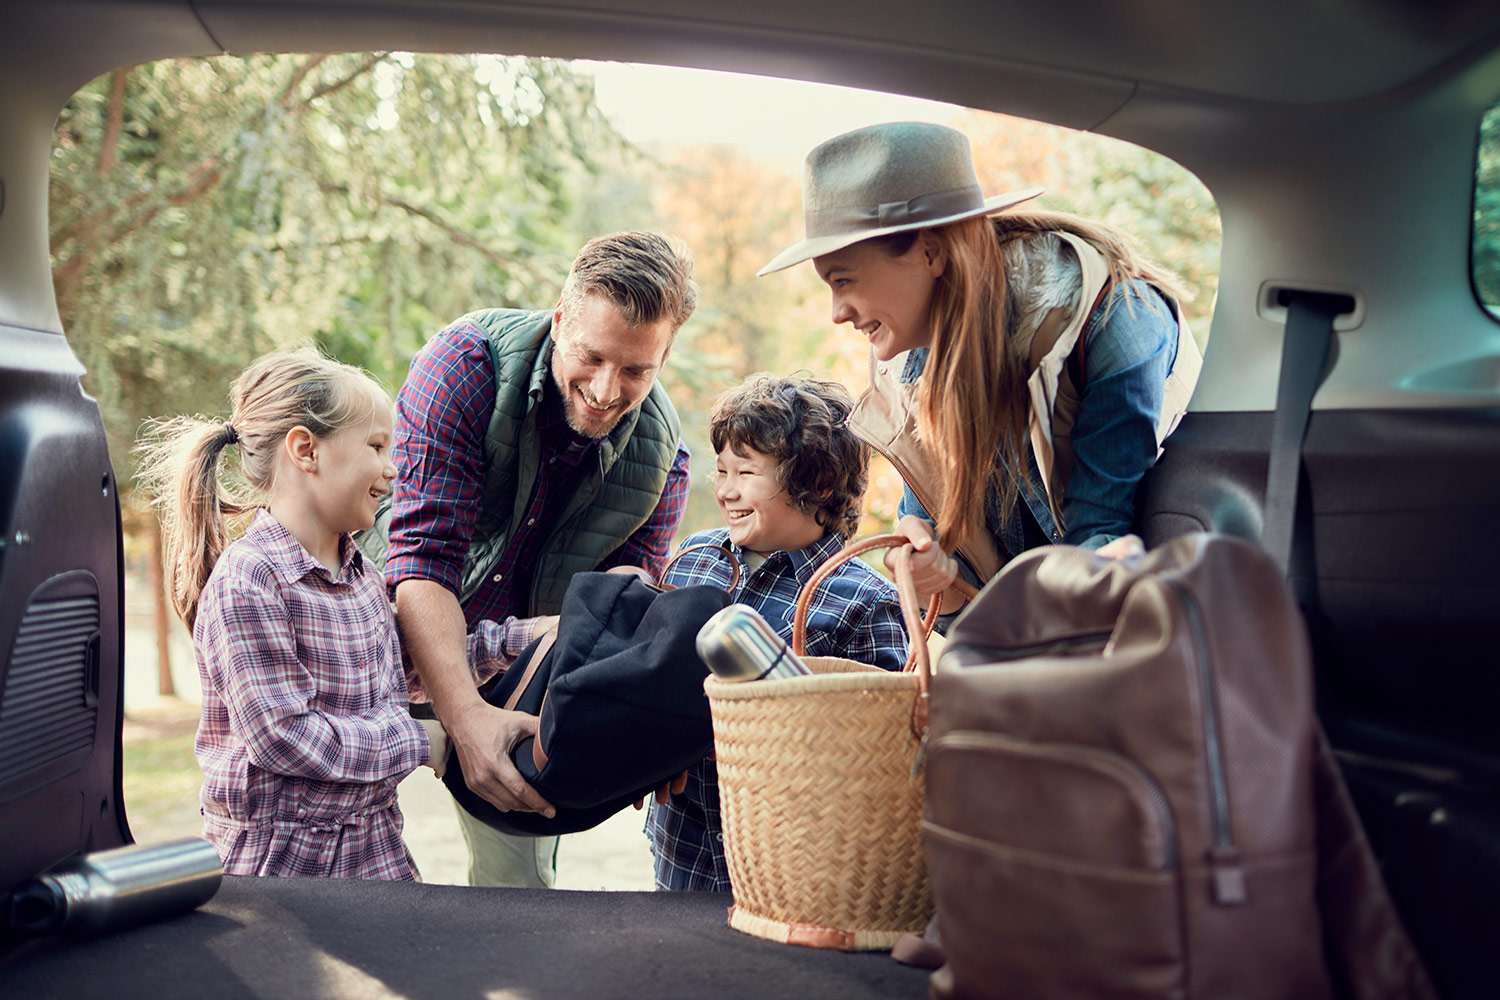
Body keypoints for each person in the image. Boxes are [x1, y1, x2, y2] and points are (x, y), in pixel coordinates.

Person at [359, 231, 699, 888]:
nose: (605, 389)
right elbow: (421, 564)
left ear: (664, 354)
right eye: (591, 356)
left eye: (636, 370)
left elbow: (620, 615)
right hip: (379, 646)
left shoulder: (665, 456)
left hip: (515, 671)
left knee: (518, 890)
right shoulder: (463, 365)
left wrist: (629, 726)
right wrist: (464, 721)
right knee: (333, 860)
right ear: (561, 318)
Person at [759, 121, 1203, 616]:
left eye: (843, 280)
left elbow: (1099, 537)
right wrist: (930, 570)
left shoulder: (1114, 320)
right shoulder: (912, 365)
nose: (836, 311)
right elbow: (938, 560)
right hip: (1029, 638)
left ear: (930, 252)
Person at [136, 348, 529, 880]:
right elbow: (283, 736)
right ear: (306, 450)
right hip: (283, 867)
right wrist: (423, 741)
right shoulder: (250, 581)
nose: (394, 469)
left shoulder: (362, 575)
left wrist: (520, 639)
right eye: (376, 446)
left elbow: (407, 668)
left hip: (373, 845)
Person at [646, 373, 910, 891]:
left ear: (819, 483)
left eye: (746, 472)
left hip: (799, 869)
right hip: (684, 853)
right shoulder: (692, 562)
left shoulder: (865, 602)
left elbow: (880, 759)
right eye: (721, 470)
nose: (726, 490)